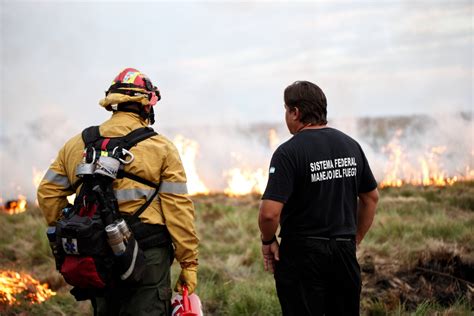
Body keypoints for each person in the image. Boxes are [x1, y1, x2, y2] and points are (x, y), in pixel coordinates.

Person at [37, 68, 199, 315]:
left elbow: (48, 191)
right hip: (147, 256)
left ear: (113, 103)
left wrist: (77, 228)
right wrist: (189, 263)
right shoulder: (161, 148)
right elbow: (178, 210)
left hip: (96, 253)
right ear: (146, 105)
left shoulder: (76, 144)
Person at [258, 81, 379, 316]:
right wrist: (355, 238)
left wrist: (267, 240)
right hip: (344, 254)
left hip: (302, 256)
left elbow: (269, 213)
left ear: (296, 112)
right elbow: (371, 198)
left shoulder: (288, 153)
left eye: (286, 109)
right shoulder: (351, 146)